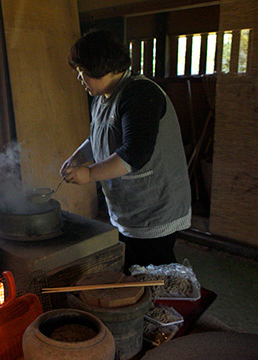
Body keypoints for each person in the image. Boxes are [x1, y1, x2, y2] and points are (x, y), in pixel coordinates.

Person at [60, 29, 192, 273]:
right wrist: (78, 157)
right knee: (134, 269)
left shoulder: (139, 94)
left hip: (154, 206)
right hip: (129, 206)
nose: (80, 79)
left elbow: (134, 153)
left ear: (101, 67)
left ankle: (162, 311)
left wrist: (88, 175)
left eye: (83, 73)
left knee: (153, 275)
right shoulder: (102, 97)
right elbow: (99, 137)